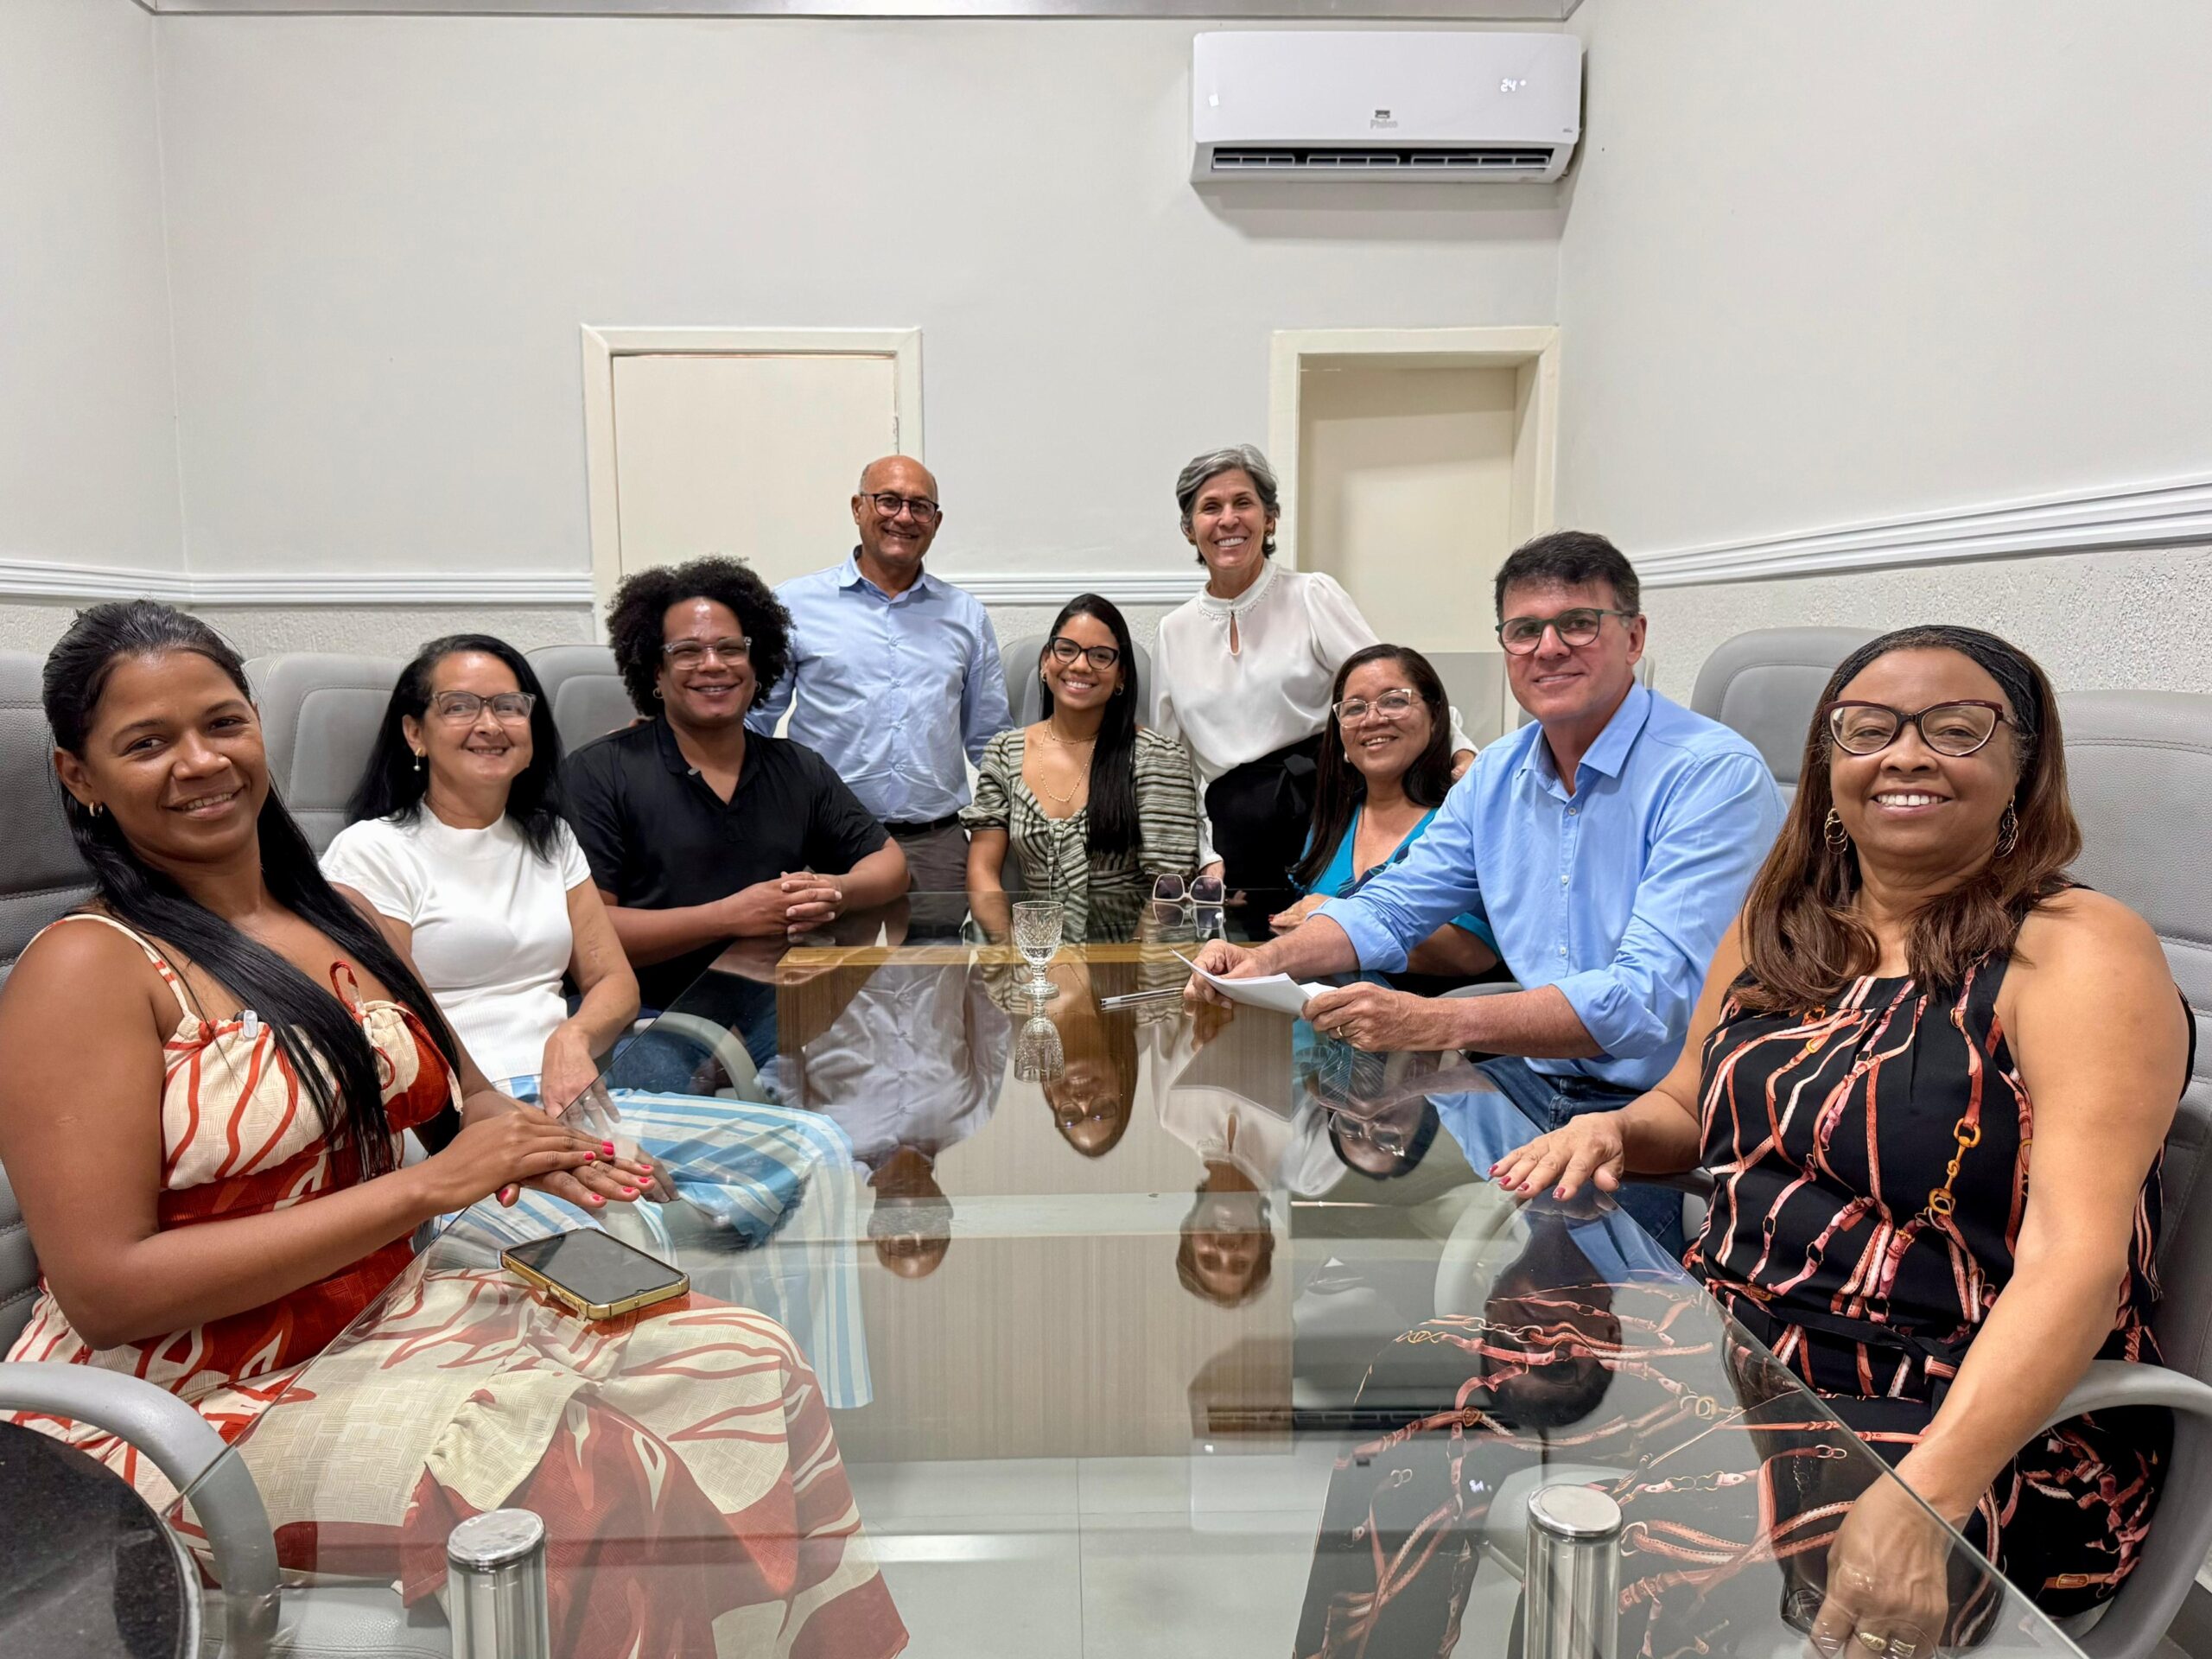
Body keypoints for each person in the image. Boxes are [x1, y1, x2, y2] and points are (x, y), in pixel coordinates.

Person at [0, 602, 906, 1655]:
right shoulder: (87, 967)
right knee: (583, 1467)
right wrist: (433, 1186)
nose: (201, 762)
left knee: (746, 1358)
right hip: (197, 1396)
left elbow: (465, 1100)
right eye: (147, 743)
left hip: (385, 1311)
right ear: (80, 776)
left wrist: (543, 1150)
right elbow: (107, 1291)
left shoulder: (327, 917)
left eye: (222, 723)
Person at [1489, 625, 2188, 1644]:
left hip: (1974, 1417)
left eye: (1955, 729)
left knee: (1646, 1553)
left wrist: (1928, 1494)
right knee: (1422, 1415)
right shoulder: (1780, 924)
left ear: (2021, 768)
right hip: (1739, 1350)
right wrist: (1608, 1131)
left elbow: (2074, 1263)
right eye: (1867, 730)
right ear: (1829, 766)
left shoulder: (2078, 950)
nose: (1905, 755)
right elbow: (1685, 1108)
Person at [1189, 531, 1783, 1253]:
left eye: (1578, 624)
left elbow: (1647, 1003)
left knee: (1570, 1308)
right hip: (1527, 1088)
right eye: (1524, 630)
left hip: (1654, 1116)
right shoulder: (1498, 774)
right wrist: (1265, 962)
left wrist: (1434, 1023)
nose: (1548, 648)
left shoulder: (1711, 775)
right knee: (1357, 1245)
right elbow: (1393, 906)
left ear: (1634, 638)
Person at [563, 556, 909, 1035]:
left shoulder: (796, 768)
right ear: (656, 672)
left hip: (769, 1007)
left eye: (730, 648)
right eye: (687, 651)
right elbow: (585, 934)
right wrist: (728, 917)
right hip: (644, 1015)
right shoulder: (600, 771)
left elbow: (890, 865)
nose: (712, 665)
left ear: (757, 664)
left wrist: (836, 891)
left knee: (885, 1048)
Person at [1149, 445, 1474, 918]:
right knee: (1248, 959)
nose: (1228, 519)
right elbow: (1173, 772)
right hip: (1236, 843)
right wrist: (1206, 855)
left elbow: (1390, 687)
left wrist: (1460, 750)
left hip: (1329, 820)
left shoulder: (1311, 595)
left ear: (1270, 519)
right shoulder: (1172, 632)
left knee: (1344, 945)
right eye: (1210, 507)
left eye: (1243, 503)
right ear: (1189, 528)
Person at [323, 634, 638, 1111]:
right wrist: (492, 1107)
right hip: (453, 1109)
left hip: (568, 1093)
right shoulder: (371, 852)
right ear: (415, 733)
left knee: (764, 1138)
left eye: (509, 707)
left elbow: (615, 981)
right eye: (459, 707)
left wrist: (573, 1037)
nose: (490, 725)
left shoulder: (551, 837)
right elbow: (387, 1024)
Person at [751, 455, 1009, 915]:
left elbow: (991, 744)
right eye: (888, 501)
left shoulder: (965, 616)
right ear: (858, 508)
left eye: (920, 506)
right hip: (825, 844)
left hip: (935, 848)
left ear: (936, 522)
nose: (904, 517)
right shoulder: (795, 605)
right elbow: (753, 722)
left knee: (940, 961)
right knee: (822, 962)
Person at [963, 592, 1199, 941]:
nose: (1080, 665)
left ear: (1121, 676)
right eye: (1066, 650)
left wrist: (1125, 965)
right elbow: (983, 871)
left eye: (1100, 656)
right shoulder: (1004, 752)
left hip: (1128, 953)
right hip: (1032, 948)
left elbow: (1169, 889)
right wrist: (1010, 951)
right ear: (1045, 662)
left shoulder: (1157, 757)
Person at [1270, 643, 1498, 980]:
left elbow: (1472, 953)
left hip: (1426, 1009)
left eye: (1394, 701)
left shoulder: (1459, 817)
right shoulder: (1331, 823)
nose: (1373, 719)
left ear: (1436, 717)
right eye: (1354, 708)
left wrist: (1336, 917)